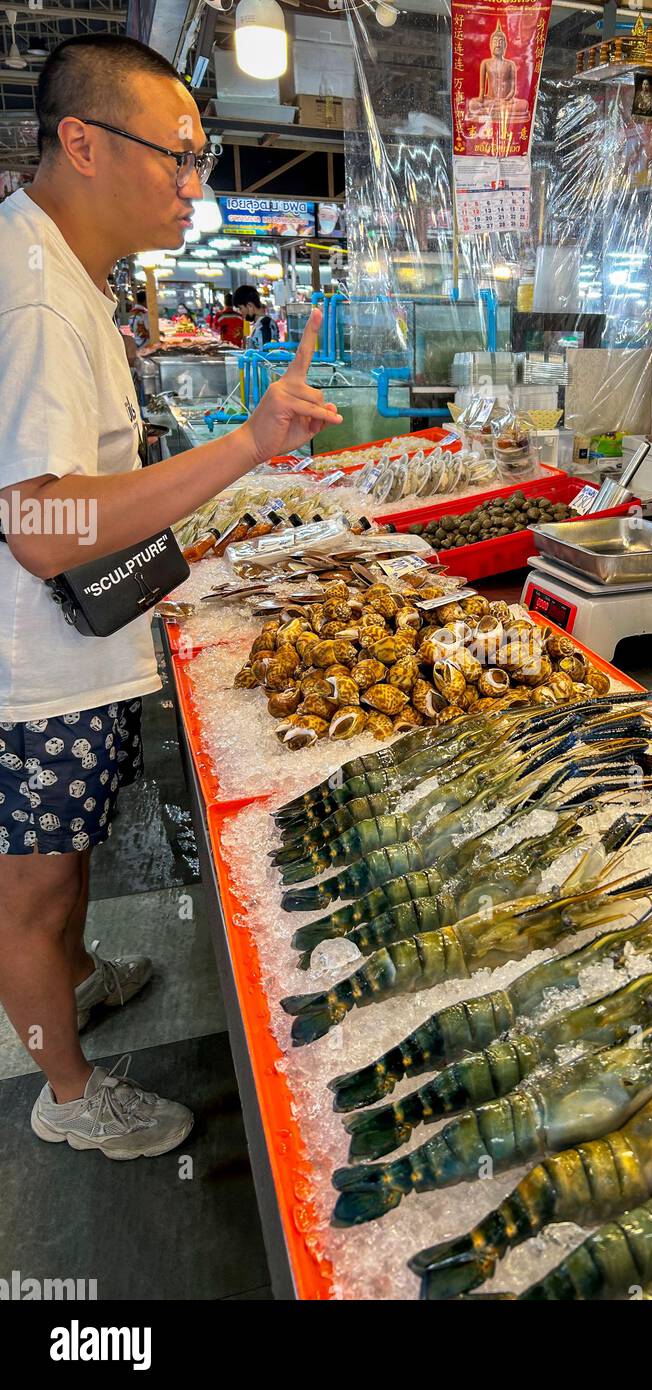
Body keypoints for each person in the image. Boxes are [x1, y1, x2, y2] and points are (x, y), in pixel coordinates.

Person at [0, 34, 340, 1160]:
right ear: (84, 143)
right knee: (31, 895)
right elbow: (40, 525)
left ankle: (79, 978)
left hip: (65, 664)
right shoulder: (38, 299)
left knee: (67, 869)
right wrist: (250, 443)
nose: (195, 185)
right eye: (179, 158)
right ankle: (64, 1086)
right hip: (28, 676)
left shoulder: (60, 275)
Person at [233, 284, 277, 349]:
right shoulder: (259, 323)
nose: (240, 312)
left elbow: (264, 356)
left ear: (250, 306)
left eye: (240, 308)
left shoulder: (264, 325)